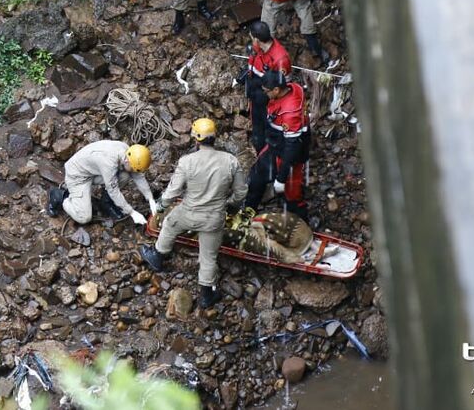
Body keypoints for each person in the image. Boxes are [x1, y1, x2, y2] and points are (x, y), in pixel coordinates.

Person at [139, 118, 247, 309]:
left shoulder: (186, 161)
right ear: (215, 137)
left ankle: (158, 255)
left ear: (196, 139)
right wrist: (231, 206)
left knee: (170, 223)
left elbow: (173, 191)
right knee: (209, 256)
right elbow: (241, 192)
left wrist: (161, 205)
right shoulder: (231, 161)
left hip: (188, 213)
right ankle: (207, 295)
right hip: (214, 218)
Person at [245, 71, 311, 220]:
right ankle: (248, 212)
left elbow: (291, 147)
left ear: (276, 90)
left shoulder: (289, 114)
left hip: (289, 151)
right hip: (276, 142)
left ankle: (301, 225)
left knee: (293, 195)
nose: (265, 93)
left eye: (266, 91)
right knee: (256, 176)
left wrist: (281, 178)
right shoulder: (294, 88)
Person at [47, 141, 155, 226]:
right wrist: (131, 212)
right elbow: (113, 190)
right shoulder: (109, 162)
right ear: (127, 161)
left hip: (93, 170)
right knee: (84, 217)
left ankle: (106, 203)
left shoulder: (129, 152)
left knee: (125, 175)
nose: (135, 171)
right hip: (78, 176)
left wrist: (150, 199)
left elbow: (138, 175)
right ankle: (60, 196)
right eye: (134, 168)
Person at [240, 20, 292, 153]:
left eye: (252, 38)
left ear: (257, 39)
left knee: (269, 132)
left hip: (269, 101)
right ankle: (259, 150)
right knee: (257, 131)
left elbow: (283, 87)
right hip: (255, 95)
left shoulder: (280, 59)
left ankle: (269, 156)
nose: (251, 41)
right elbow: (253, 63)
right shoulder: (257, 48)